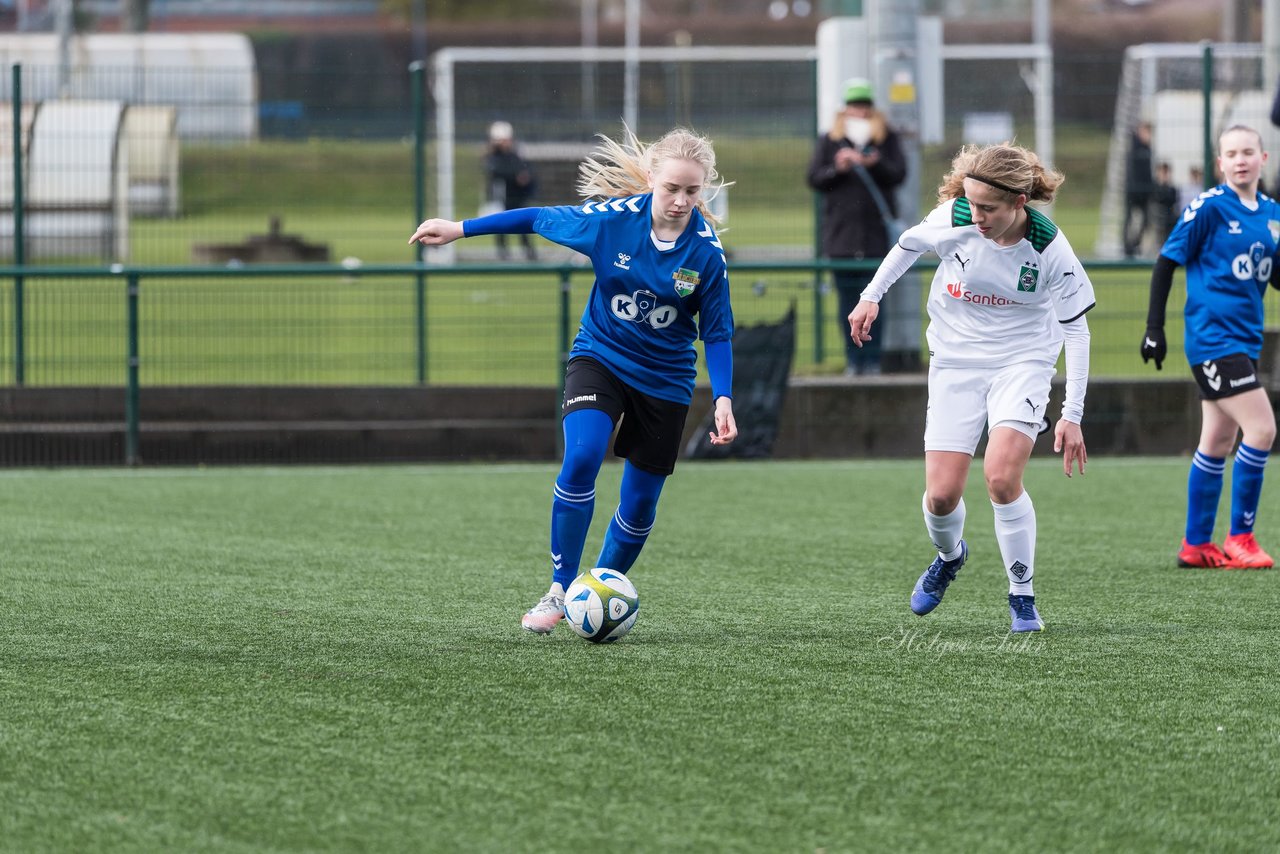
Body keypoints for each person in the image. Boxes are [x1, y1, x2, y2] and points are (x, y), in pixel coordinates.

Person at [409, 126, 738, 633]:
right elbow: (538, 218)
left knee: (640, 502)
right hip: (600, 357)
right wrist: (460, 228)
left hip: (665, 380)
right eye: (671, 187)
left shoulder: (706, 255)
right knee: (582, 454)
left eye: (692, 191)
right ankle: (560, 589)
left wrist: (722, 398)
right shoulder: (611, 222)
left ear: (704, 188)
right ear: (652, 178)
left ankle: (600, 586)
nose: (680, 200)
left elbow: (716, 333)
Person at [848, 142, 1095, 633]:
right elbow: (906, 247)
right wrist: (870, 297)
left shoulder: (1049, 247)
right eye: (971, 202)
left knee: (1002, 479)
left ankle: (1021, 597)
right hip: (955, 361)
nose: (976, 215)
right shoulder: (955, 215)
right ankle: (950, 556)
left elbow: (1076, 330)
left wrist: (1072, 413)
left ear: (1019, 203)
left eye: (988, 208)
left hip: (1022, 362)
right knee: (940, 496)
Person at [1141, 124, 1279, 570]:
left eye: (1248, 152)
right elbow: (1166, 261)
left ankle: (1196, 544)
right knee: (1262, 430)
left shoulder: (1273, 214)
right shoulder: (1207, 208)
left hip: (1245, 339)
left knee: (1218, 441)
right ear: (1220, 164)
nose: (1240, 160)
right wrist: (1154, 328)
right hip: (1212, 340)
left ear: (1264, 158)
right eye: (1231, 154)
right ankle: (1240, 537)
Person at [806, 77, 907, 376]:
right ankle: (854, 360)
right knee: (847, 303)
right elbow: (815, 178)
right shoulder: (830, 139)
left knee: (876, 301)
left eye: (863, 105)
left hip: (875, 238)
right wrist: (839, 168)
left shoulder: (885, 139)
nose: (859, 111)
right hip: (842, 238)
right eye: (854, 105)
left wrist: (873, 164)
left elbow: (899, 173)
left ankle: (873, 360)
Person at [483, 120, 539, 261]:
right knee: (500, 226)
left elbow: (526, 171)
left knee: (523, 225)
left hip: (517, 197)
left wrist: (524, 177)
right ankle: (503, 254)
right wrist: (516, 176)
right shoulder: (493, 158)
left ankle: (529, 252)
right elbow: (497, 171)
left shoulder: (515, 155)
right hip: (502, 198)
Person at [1124, 121, 1155, 257]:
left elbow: (1148, 172)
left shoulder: (1148, 149)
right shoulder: (1135, 146)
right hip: (1133, 190)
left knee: (1146, 221)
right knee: (1129, 219)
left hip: (1144, 190)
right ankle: (1127, 248)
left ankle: (1134, 244)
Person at [1152, 161, 1179, 241]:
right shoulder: (1154, 187)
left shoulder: (1171, 188)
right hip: (1157, 215)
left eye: (1166, 172)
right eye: (1163, 172)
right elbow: (1158, 199)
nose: (1165, 175)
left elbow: (1173, 200)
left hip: (1169, 216)